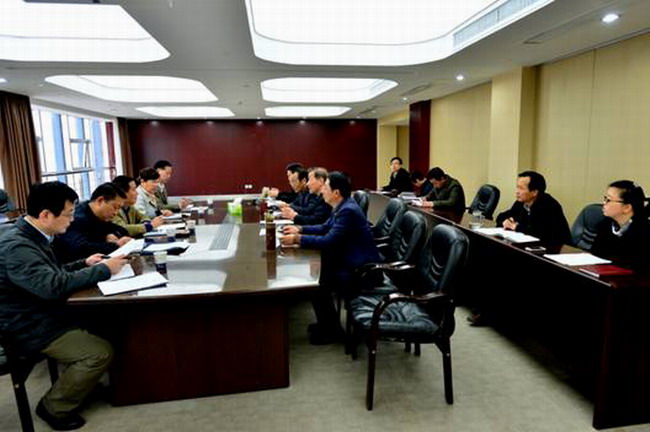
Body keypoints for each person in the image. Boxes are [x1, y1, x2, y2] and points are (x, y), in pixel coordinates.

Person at [0, 181, 127, 430]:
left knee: (108, 323)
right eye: (68, 214)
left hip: (39, 311)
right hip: (25, 325)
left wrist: (84, 263)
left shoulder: (31, 235)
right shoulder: (18, 246)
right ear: (46, 215)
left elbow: (51, 273)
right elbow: (52, 286)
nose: (72, 220)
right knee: (99, 352)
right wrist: (103, 270)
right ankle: (54, 406)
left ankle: (82, 383)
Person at [281, 172, 379, 345]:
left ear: (336, 192)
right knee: (318, 277)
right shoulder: (342, 206)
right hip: (349, 259)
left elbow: (329, 240)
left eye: (326, 187)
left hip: (361, 269)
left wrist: (298, 239)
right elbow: (324, 227)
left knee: (318, 282)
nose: (322, 191)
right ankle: (328, 325)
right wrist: (300, 229)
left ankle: (332, 331)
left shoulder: (347, 210)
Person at [54, 183, 132, 262]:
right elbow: (82, 249)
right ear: (100, 201)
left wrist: (113, 234)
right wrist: (115, 245)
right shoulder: (77, 218)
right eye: (115, 207)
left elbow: (122, 230)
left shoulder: (100, 215)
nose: (116, 212)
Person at [495, 171, 570, 248]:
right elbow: (501, 216)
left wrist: (516, 227)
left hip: (556, 249)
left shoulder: (549, 206)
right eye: (517, 187)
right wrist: (505, 221)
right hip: (530, 246)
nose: (517, 192)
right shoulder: (520, 203)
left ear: (534, 192)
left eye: (521, 188)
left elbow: (541, 233)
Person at [591, 180, 650, 272]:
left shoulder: (644, 232)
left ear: (627, 207)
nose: (604, 203)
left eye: (609, 200)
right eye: (605, 198)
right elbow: (596, 253)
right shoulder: (606, 224)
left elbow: (638, 266)